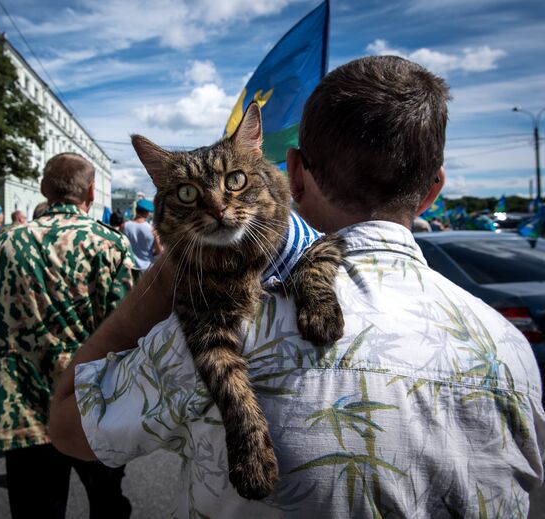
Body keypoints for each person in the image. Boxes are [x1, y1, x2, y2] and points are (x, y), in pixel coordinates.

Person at [49, 56, 545, 517]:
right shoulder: (509, 351)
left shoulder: (195, 342)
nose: (220, 208)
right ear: (433, 190)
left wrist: (157, 288)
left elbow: (66, 426)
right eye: (188, 193)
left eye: (236, 185)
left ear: (294, 174)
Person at [0, 152, 135, 519]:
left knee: (36, 511)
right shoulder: (110, 244)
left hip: (24, 411)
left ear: (44, 188)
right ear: (91, 190)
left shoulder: (5, 244)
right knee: (108, 504)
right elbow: (130, 335)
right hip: (92, 407)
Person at [122, 199, 162, 271]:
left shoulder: (124, 226)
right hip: (147, 269)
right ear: (147, 213)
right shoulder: (152, 229)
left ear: (136, 210)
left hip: (130, 268)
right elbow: (159, 251)